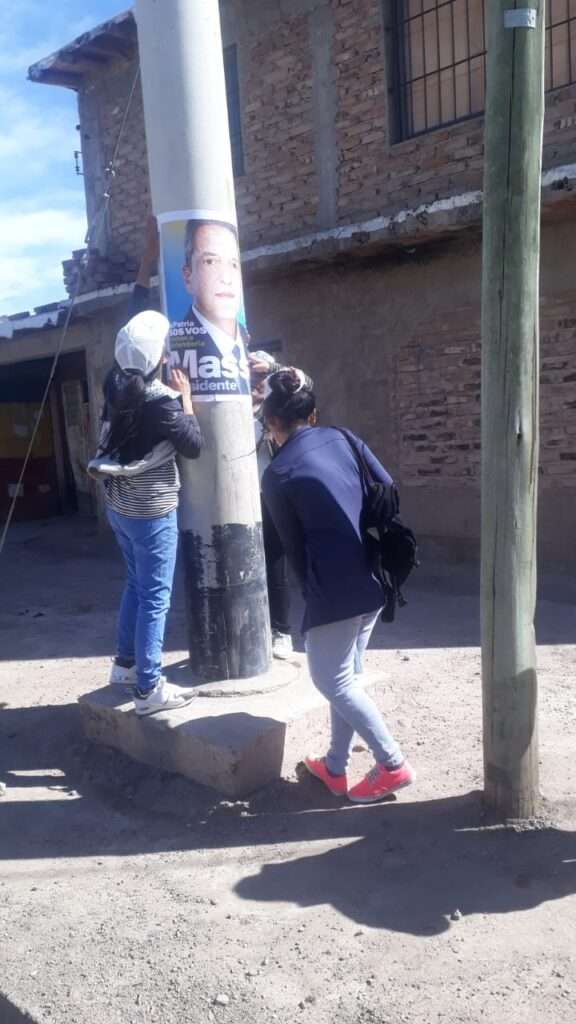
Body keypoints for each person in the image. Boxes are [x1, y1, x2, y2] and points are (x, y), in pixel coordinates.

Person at [261, 370, 414, 803]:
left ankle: (392, 764)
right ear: (312, 413)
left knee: (332, 680)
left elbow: (291, 548)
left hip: (335, 589)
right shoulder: (345, 438)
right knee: (347, 678)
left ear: (270, 421)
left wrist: (313, 597)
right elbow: (387, 487)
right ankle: (334, 767)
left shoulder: (277, 474)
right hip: (374, 574)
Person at [88, 309, 202, 716]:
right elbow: (193, 445)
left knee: (136, 585)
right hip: (151, 511)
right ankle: (148, 688)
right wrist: (186, 399)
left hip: (119, 506)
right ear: (161, 358)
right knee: (155, 597)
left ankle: (125, 666)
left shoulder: (114, 386)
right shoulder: (162, 402)